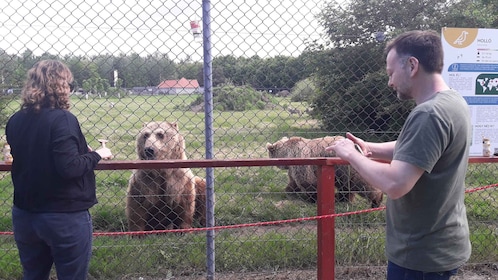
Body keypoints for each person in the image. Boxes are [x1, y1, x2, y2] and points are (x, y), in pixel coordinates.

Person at [327, 30, 471, 279]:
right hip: (442, 243)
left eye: (391, 73)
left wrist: (351, 155)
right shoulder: (453, 102)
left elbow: (396, 184)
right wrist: (369, 147)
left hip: (420, 255)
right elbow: (419, 148)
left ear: (412, 65)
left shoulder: (428, 114)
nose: (390, 82)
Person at [5, 60, 113, 280]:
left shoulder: (15, 120)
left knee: (33, 275)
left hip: (25, 215)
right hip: (63, 215)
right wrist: (97, 155)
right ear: (61, 86)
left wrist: (81, 150)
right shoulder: (63, 119)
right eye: (68, 85)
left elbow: (36, 154)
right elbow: (69, 168)